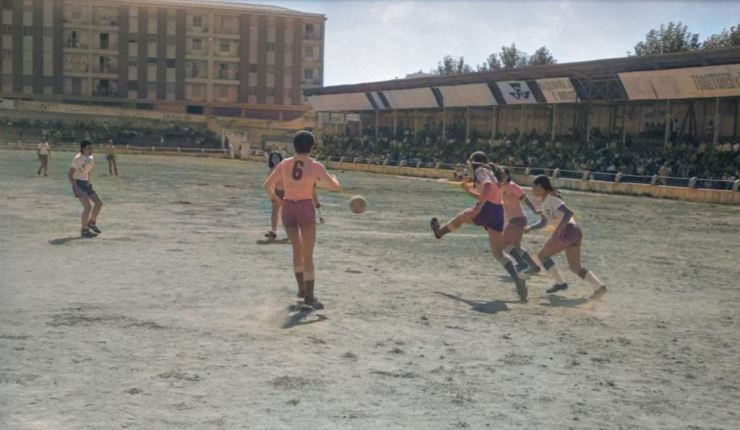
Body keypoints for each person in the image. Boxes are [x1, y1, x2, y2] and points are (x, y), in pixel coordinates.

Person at [430, 151, 528, 301]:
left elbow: (487, 188)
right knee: (499, 254)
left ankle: (439, 232)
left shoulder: (480, 171)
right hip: (498, 211)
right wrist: (469, 189)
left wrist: (479, 208)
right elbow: (489, 191)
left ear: (473, 162)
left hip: (488, 209)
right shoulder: (490, 172)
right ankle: (517, 280)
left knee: (461, 218)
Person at [264, 132, 342, 309]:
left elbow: (267, 185)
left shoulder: (285, 163)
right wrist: (335, 179)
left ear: (294, 146)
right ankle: (310, 296)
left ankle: (301, 289)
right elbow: (335, 187)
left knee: (296, 250)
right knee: (308, 254)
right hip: (305, 208)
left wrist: (277, 200)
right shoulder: (315, 165)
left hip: (288, 208)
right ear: (311, 147)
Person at [526, 175, 607, 300]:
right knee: (575, 267)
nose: (532, 189)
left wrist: (558, 230)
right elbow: (543, 222)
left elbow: (569, 213)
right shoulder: (545, 202)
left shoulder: (552, 198)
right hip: (575, 232)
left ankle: (560, 283)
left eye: (533, 186)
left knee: (542, 256)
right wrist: (530, 227)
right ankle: (599, 286)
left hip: (567, 231)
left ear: (541, 186)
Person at [498, 167, 542, 273]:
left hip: (518, 219)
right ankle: (533, 266)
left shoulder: (512, 186)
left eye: (504, 174)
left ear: (508, 175)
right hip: (515, 220)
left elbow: (524, 198)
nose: (502, 177)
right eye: (500, 175)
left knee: (503, 243)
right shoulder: (500, 187)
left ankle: (522, 264)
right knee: (516, 247)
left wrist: (535, 210)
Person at [68, 140, 103, 238]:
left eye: (91, 148)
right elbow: (70, 175)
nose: (91, 150)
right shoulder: (77, 158)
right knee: (88, 207)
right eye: (88, 148)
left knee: (99, 203)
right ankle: (84, 230)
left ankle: (91, 223)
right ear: (82, 148)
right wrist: (76, 188)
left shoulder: (91, 157)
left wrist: (88, 181)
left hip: (86, 183)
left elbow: (88, 170)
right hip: (78, 183)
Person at [265, 151, 284, 240]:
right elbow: (269, 185)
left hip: (287, 193)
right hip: (277, 192)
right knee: (275, 212)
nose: (275, 159)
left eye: (277, 157)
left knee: (287, 213)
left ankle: (293, 230)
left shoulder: (284, 168)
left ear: (280, 158)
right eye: (273, 158)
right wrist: (273, 195)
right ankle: (274, 231)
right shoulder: (271, 170)